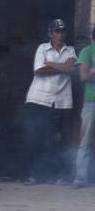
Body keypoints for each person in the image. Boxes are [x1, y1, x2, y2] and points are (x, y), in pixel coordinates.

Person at [24, 19, 76, 185]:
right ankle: (34, 175)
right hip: (39, 98)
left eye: (62, 31)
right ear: (50, 33)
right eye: (56, 31)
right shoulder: (42, 48)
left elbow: (71, 69)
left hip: (60, 101)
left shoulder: (71, 50)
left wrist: (51, 64)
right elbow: (38, 71)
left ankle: (57, 175)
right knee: (35, 138)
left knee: (57, 139)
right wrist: (62, 67)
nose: (60, 35)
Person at [73, 27, 95, 188]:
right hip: (91, 102)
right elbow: (84, 76)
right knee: (86, 141)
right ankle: (81, 178)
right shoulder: (87, 51)